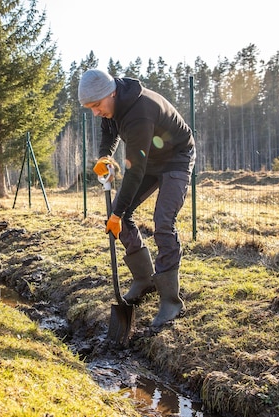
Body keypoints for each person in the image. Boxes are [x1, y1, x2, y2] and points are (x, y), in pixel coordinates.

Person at [78, 69, 196, 330]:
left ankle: (170, 302)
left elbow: (135, 170)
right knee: (121, 216)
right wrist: (104, 157)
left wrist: (117, 213)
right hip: (149, 159)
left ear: (112, 93)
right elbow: (109, 131)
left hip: (176, 157)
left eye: (97, 105)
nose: (96, 112)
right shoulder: (112, 105)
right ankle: (145, 280)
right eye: (91, 108)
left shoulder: (139, 111)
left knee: (163, 222)